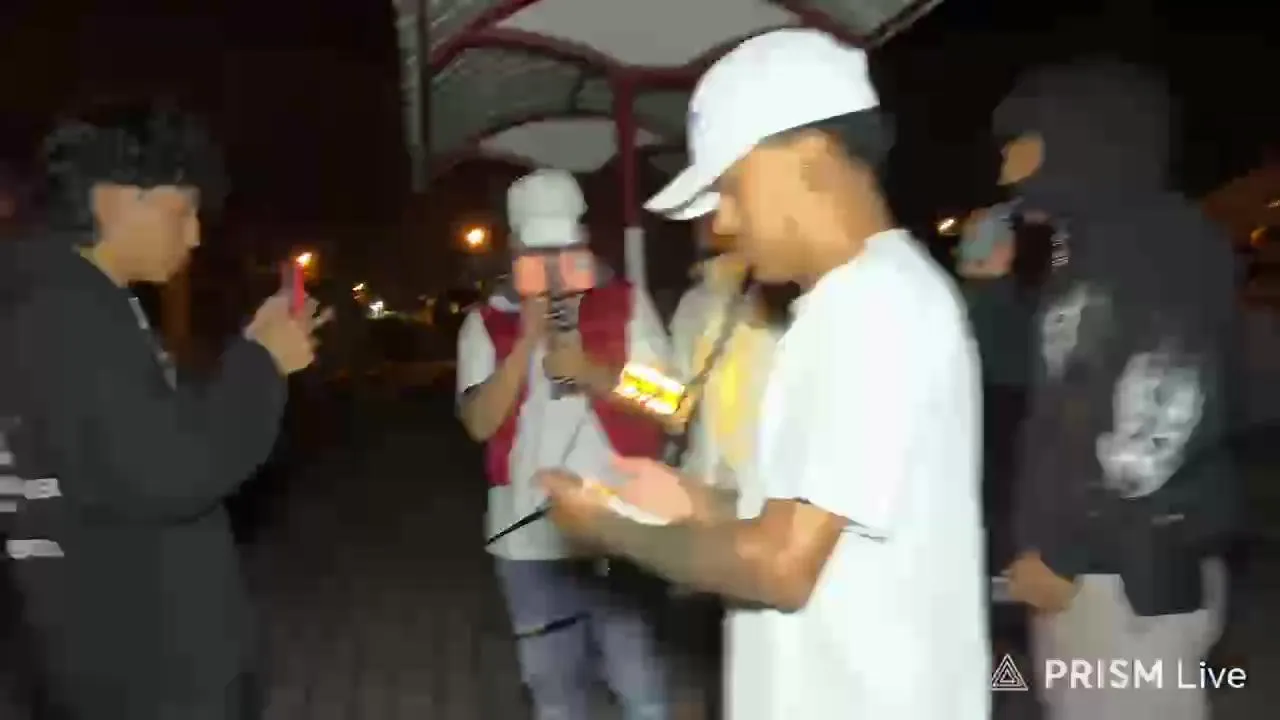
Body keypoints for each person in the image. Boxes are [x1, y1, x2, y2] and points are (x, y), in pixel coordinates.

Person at [539, 29, 990, 720]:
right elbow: (682, 401)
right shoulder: (709, 305)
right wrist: (691, 497)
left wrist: (598, 395)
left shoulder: (857, 303)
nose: (718, 223)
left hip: (792, 601)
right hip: (740, 528)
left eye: (727, 189)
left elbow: (779, 550)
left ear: (807, 157)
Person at [0, 102, 328, 720]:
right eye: (183, 212)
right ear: (114, 199)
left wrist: (252, 352)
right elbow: (169, 470)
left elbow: (137, 437)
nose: (196, 235)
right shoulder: (65, 311)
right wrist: (263, 365)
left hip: (96, 648)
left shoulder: (57, 300)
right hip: (143, 668)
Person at [993, 60, 1235, 720]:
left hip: (1126, 573)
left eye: (1020, 143)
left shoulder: (1158, 244)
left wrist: (1065, 554)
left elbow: (1163, 411)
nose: (1005, 169)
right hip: (1094, 568)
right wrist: (990, 291)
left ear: (1077, 137)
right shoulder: (1090, 249)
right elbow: (1053, 387)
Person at [455, 168, 673, 719]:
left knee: (642, 688)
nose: (553, 266)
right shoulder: (484, 324)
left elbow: (672, 403)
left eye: (565, 250)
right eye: (538, 253)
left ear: (585, 242)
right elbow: (478, 422)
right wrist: (526, 341)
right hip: (528, 543)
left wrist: (592, 369)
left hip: (619, 531)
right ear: (513, 249)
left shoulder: (625, 303)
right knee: (555, 699)